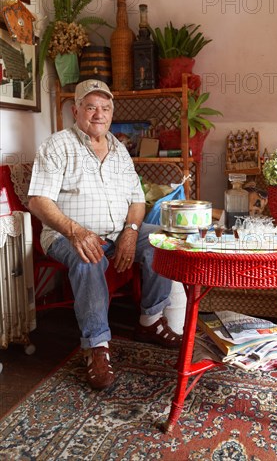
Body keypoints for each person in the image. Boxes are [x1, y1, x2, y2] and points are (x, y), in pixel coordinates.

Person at [28, 79, 182, 390]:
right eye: (91, 107)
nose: (99, 114)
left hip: (117, 231)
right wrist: (75, 231)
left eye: (105, 108)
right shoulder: (57, 145)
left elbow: (137, 201)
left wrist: (131, 230)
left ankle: (150, 321)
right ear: (76, 111)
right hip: (66, 236)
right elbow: (37, 201)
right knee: (89, 257)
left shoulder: (120, 149)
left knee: (162, 241)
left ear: (112, 113)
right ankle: (96, 345)